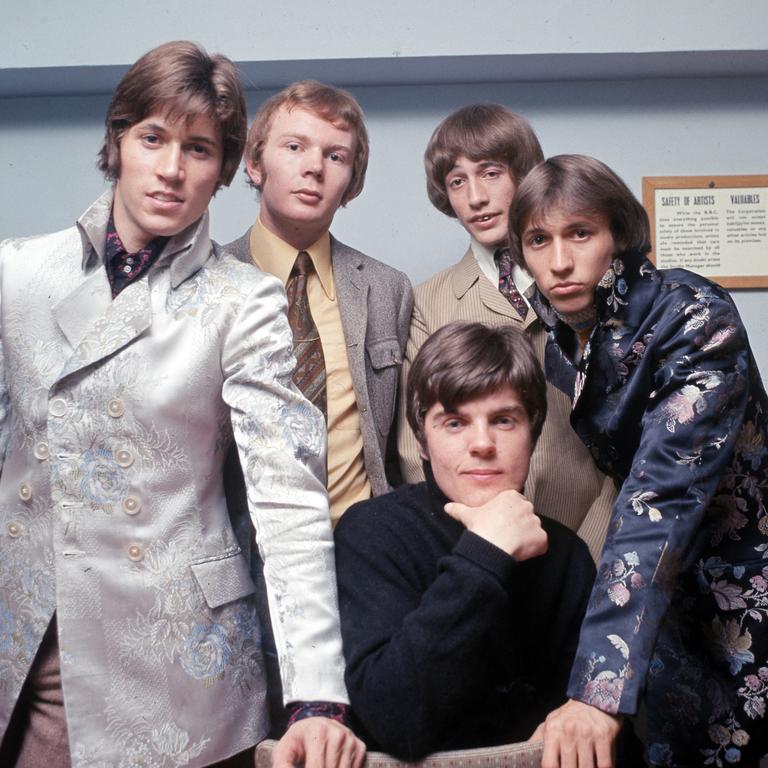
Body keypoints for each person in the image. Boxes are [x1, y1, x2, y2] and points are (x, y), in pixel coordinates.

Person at [0, 42, 363, 768]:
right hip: (34, 650)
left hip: (181, 667)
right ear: (119, 141)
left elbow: (288, 501)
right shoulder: (17, 273)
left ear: (227, 168)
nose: (172, 169)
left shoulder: (246, 301)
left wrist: (316, 697)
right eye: (153, 138)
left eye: (199, 149)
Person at [509, 154, 768, 766]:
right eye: (538, 240)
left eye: (580, 233)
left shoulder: (697, 315)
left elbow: (660, 497)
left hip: (750, 586)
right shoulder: (564, 341)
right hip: (664, 602)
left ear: (620, 235)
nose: (560, 261)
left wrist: (598, 688)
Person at [335, 322, 597, 760]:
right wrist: (486, 554)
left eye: (503, 420)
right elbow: (395, 719)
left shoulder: (568, 554)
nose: (482, 444)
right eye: (455, 423)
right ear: (422, 441)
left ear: (531, 434)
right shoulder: (371, 534)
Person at [397, 104, 615, 561]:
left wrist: (589, 556)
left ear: (525, 173)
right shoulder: (426, 303)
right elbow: (415, 445)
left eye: (491, 173)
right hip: (472, 547)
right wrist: (482, 545)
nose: (476, 197)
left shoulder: (590, 282)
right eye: (457, 181)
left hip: (596, 539)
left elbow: (629, 437)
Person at [225, 80, 413, 526]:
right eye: (294, 146)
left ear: (352, 183)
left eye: (336, 156)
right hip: (247, 551)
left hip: (361, 548)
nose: (314, 167)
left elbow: (402, 448)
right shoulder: (208, 281)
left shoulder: (387, 289)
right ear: (255, 163)